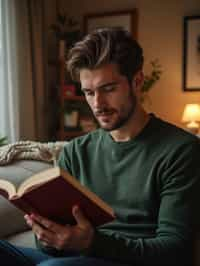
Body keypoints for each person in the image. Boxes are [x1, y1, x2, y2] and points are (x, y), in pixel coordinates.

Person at [0, 27, 200, 266]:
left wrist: (91, 243)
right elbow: (54, 247)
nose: (98, 104)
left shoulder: (180, 150)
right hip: (75, 259)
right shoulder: (75, 152)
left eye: (108, 89)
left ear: (137, 82)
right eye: (89, 92)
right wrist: (47, 236)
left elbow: (174, 250)